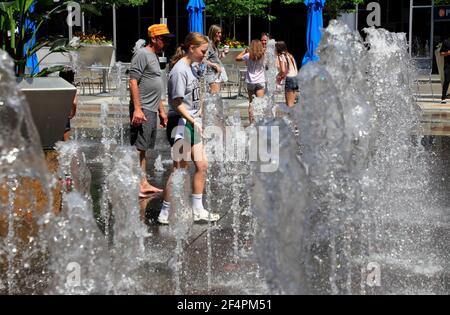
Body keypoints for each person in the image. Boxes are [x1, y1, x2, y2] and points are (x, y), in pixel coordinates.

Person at [157, 32, 220, 224]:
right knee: (179, 169)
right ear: (191, 48)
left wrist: (199, 108)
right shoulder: (179, 71)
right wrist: (193, 121)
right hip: (180, 124)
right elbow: (176, 103)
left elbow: (194, 91)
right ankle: (165, 212)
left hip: (192, 122)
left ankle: (198, 209)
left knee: (202, 165)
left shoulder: (192, 66)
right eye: (203, 51)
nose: (205, 55)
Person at [129, 24, 172, 197]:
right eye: (163, 39)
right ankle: (138, 183)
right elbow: (133, 81)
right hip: (143, 108)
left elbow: (156, 86)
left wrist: (161, 110)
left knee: (143, 147)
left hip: (150, 108)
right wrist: (137, 109)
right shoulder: (142, 54)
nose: (166, 42)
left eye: (167, 39)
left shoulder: (153, 55)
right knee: (139, 147)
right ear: (153, 38)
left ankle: (143, 182)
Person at [236, 40, 266, 124]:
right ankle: (260, 123)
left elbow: (237, 58)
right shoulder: (263, 55)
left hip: (250, 82)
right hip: (260, 81)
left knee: (251, 103)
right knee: (260, 104)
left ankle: (252, 124)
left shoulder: (248, 55)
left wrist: (244, 51)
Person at [205, 24, 228, 94]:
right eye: (218, 33)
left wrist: (223, 53)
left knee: (217, 97)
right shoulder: (208, 44)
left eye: (220, 32)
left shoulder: (215, 44)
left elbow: (215, 59)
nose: (220, 34)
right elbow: (203, 59)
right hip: (211, 74)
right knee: (214, 98)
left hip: (216, 74)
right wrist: (214, 65)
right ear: (213, 33)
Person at [275, 41, 299, 107]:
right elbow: (291, 69)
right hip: (295, 79)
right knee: (292, 104)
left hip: (290, 80)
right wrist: (283, 76)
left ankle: (291, 117)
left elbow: (282, 70)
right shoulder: (290, 55)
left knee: (289, 105)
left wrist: (278, 76)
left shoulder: (281, 56)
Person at [59, 69, 77, 141]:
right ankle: (66, 147)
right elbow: (74, 102)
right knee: (66, 130)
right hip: (65, 111)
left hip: (55, 111)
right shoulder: (71, 86)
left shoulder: (58, 85)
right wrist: (73, 113)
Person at [440, 38, 450, 104]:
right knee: (447, 80)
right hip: (448, 65)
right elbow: (441, 53)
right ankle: (443, 98)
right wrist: (447, 53)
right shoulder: (446, 41)